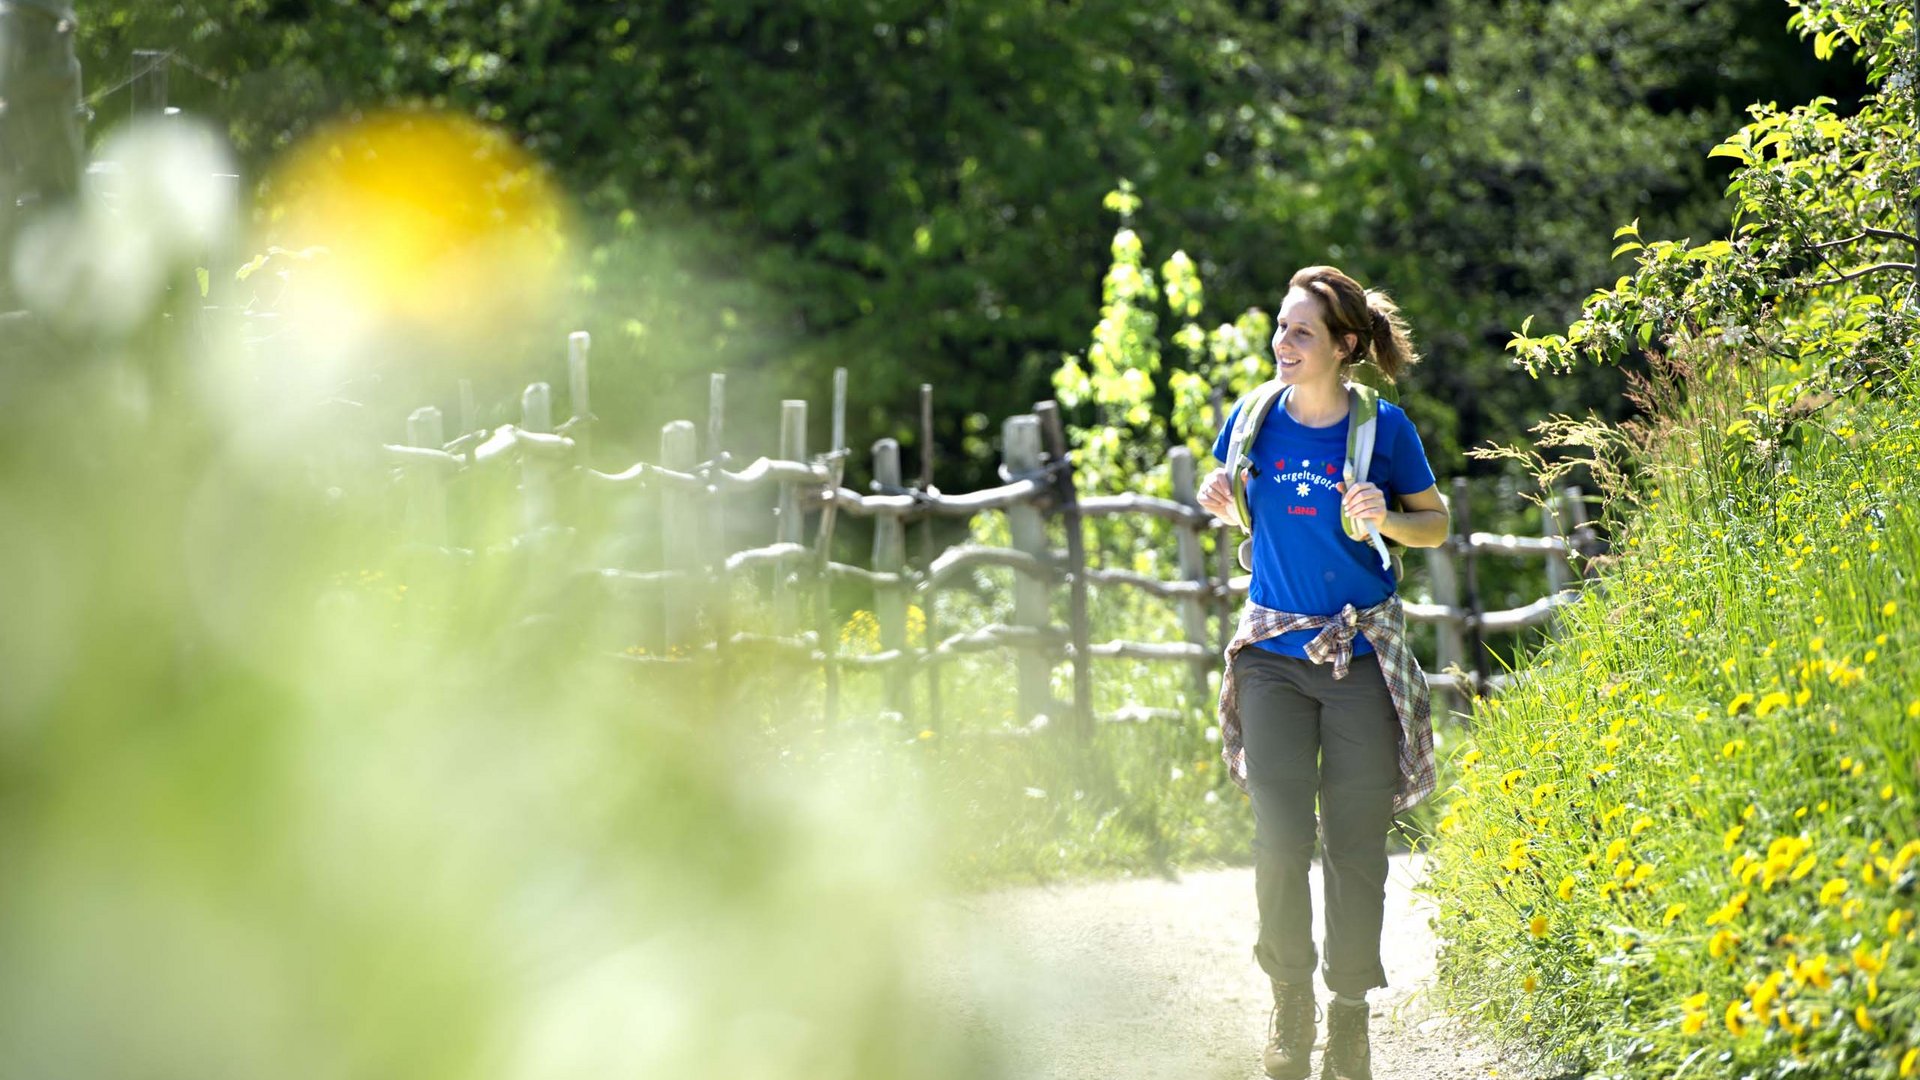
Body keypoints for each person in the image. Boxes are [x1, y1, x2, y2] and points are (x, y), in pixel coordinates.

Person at [1196, 266, 1448, 1080]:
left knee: (1354, 848)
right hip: (1271, 655)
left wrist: (1390, 519)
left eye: (1301, 332)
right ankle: (1290, 1001)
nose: (1282, 343)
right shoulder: (1252, 417)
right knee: (1278, 839)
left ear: (1344, 346)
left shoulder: (1384, 429)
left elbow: (1435, 525)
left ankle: (1347, 1015)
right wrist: (1220, 497)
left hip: (1360, 658)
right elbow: (1243, 503)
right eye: (1280, 328)